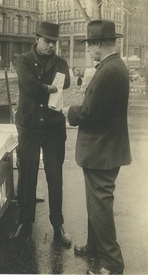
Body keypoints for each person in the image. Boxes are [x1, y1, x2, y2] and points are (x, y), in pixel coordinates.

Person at [63, 20, 132, 274]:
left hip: (101, 150)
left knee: (100, 206)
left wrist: (67, 111)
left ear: (99, 44)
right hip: (104, 148)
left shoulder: (108, 70)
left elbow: (91, 112)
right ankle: (94, 246)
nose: (88, 51)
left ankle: (112, 264)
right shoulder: (112, 66)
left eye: (90, 45)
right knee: (95, 202)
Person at [9, 21, 71, 247]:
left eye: (54, 42)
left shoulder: (61, 62)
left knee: (55, 177)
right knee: (28, 174)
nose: (51, 46)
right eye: (47, 41)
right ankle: (25, 222)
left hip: (54, 128)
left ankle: (58, 224)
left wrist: (42, 86)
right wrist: (48, 87)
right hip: (30, 127)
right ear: (37, 39)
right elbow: (30, 86)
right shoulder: (23, 60)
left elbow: (66, 83)